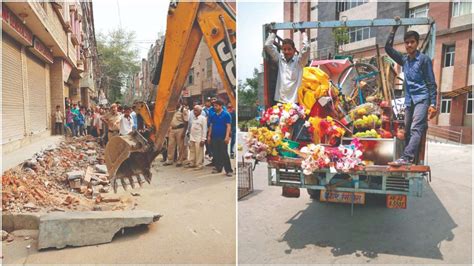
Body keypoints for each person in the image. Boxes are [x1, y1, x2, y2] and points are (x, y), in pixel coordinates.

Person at [385, 27, 437, 166]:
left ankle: (406, 158)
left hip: (422, 98)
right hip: (409, 100)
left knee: (416, 128)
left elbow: (431, 83)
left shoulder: (424, 60)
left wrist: (433, 104)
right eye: (406, 42)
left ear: (417, 43)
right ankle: (410, 159)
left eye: (412, 42)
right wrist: (393, 30)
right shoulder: (404, 60)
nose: (409, 45)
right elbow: (388, 49)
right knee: (407, 131)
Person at [264, 28, 310, 104]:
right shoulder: (280, 59)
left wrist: (303, 33)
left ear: (294, 50)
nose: (286, 52)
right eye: (284, 49)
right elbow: (267, 45)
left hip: (295, 102)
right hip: (281, 101)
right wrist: (274, 33)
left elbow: (306, 48)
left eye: (289, 49)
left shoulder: (299, 61)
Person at [208, 100, 233, 176]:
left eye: (216, 106)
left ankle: (228, 170)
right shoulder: (213, 115)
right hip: (214, 136)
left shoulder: (226, 114)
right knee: (216, 153)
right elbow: (211, 126)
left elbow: (228, 126)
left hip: (223, 137)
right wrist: (209, 136)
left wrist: (227, 137)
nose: (215, 107)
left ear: (220, 106)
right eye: (214, 106)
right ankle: (218, 168)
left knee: (224, 153)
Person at [185, 105, 207, 169]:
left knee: (199, 152)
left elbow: (204, 129)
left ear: (200, 111)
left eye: (196, 110)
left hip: (199, 138)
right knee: (192, 151)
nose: (195, 112)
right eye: (194, 110)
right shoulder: (194, 118)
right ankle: (192, 163)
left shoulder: (203, 118)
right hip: (192, 137)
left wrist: (203, 139)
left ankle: (199, 165)